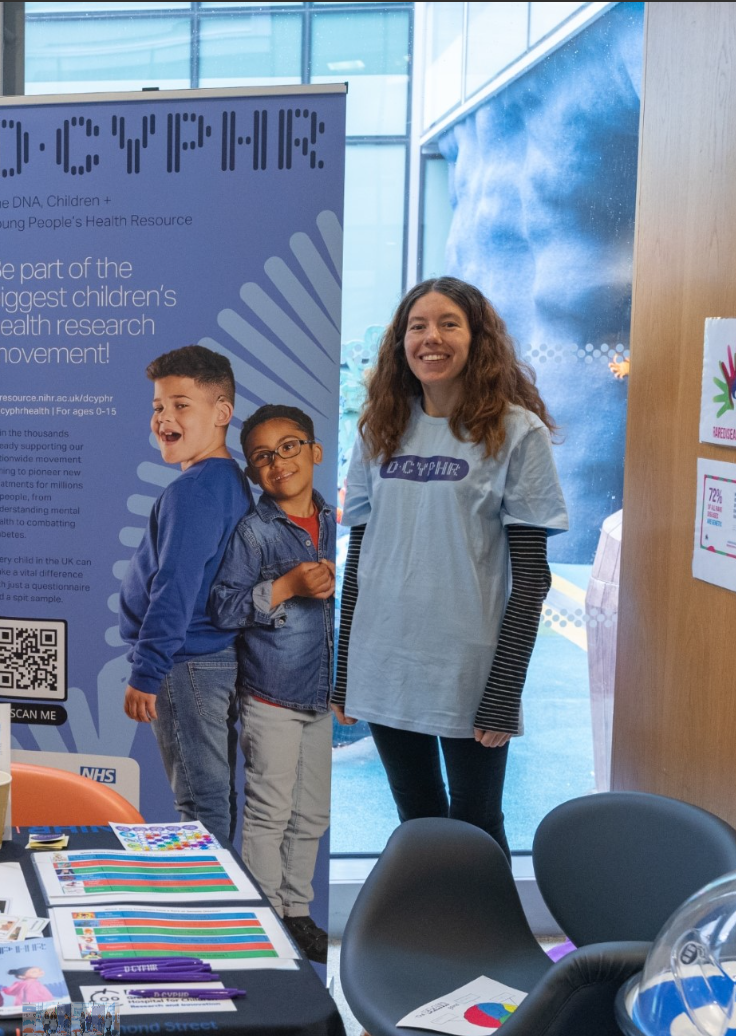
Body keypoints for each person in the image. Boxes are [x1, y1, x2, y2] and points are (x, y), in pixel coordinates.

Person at [332, 277, 568, 858]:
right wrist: (345, 672)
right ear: (400, 343)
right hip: (385, 658)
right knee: (417, 822)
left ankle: (488, 943)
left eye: (448, 324)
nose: (430, 338)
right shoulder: (380, 428)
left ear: (477, 338)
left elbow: (532, 576)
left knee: (476, 827)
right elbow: (358, 554)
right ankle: (426, 939)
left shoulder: (516, 432)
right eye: (417, 326)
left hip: (470, 665)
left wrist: (504, 691)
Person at [209, 403, 335, 964]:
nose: (278, 462)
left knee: (312, 813)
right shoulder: (255, 533)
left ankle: (296, 909)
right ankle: (263, 916)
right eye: (262, 456)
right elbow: (224, 607)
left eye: (288, 447)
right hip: (269, 694)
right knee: (269, 810)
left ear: (314, 452)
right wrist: (283, 586)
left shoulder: (330, 520)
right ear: (252, 470)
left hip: (319, 693)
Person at [119, 345, 252, 842]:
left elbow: (176, 587)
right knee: (210, 794)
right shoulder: (224, 480)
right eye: (158, 407)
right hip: (206, 660)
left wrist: (146, 672)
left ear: (222, 413)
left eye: (181, 404)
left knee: (198, 800)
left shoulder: (193, 491)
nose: (165, 418)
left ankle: (208, 908)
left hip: (184, 663)